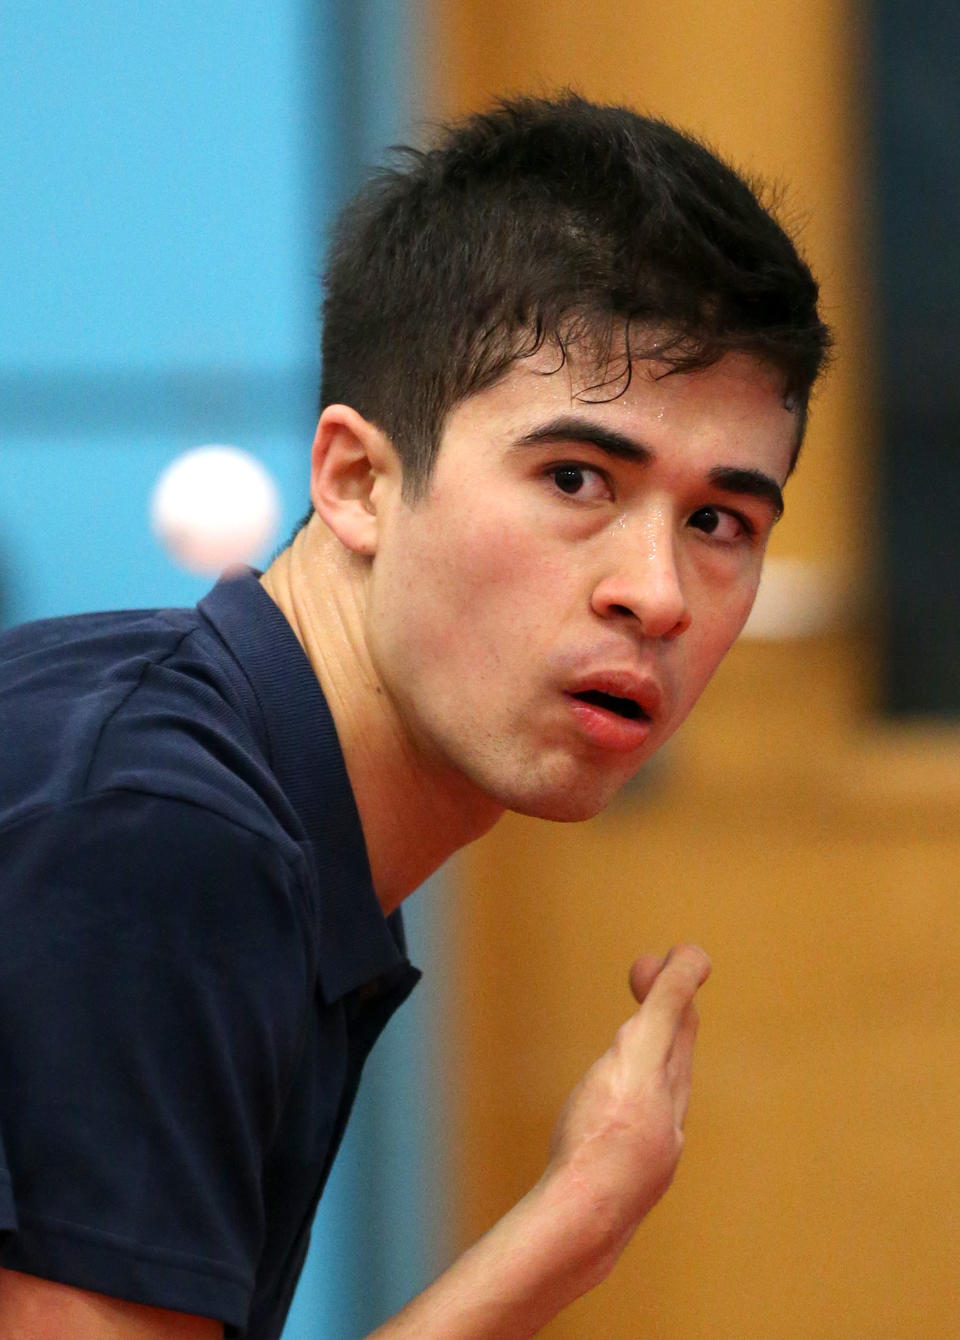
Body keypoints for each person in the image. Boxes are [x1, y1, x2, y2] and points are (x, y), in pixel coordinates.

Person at [0, 93, 830, 1338]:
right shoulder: (162, 833)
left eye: (721, 520)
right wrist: (572, 1226)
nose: (655, 594)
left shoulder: (234, 787)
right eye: (576, 478)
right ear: (357, 480)